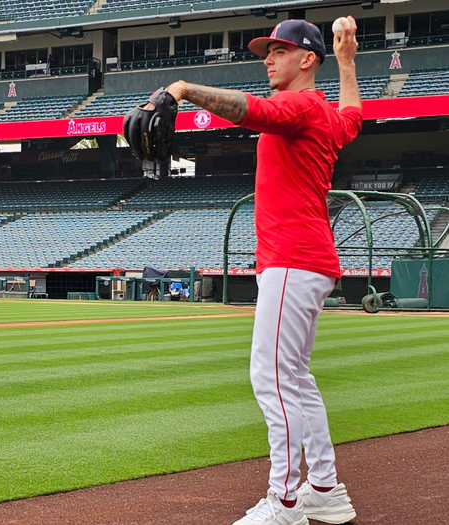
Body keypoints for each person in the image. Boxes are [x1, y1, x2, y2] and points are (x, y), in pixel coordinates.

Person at [143, 18, 362, 525]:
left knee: (271, 378)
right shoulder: (326, 113)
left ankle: (284, 505)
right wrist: (348, 61)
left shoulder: (301, 104)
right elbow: (353, 115)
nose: (268, 58)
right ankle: (325, 490)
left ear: (307, 60)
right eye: (267, 51)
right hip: (305, 260)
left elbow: (250, 109)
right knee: (296, 379)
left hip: (292, 258)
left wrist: (183, 88)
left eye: (279, 51)